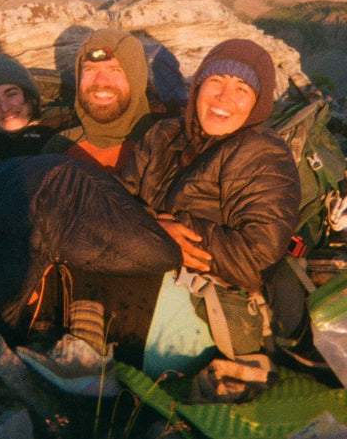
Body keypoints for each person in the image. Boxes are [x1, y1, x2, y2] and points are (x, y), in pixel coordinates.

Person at [118, 37, 304, 350]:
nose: (223, 97)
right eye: (216, 80)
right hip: (144, 279)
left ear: (257, 103)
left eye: (242, 89)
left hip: (203, 304)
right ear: (198, 86)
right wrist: (153, 229)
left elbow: (257, 258)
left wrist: (169, 235)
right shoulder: (164, 135)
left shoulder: (262, 153)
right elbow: (116, 204)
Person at [42, 28, 163, 172]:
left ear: (137, 78)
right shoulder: (60, 147)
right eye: (90, 69)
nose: (100, 81)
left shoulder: (166, 143)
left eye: (114, 69)